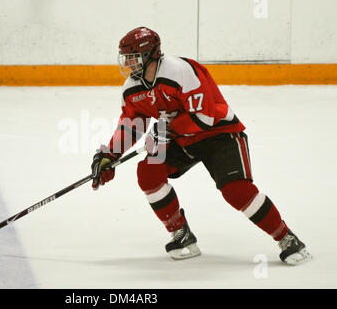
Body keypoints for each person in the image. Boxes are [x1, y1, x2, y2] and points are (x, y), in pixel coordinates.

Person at [90, 26, 312, 265]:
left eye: (133, 58)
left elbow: (204, 117)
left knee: (235, 189)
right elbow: (133, 123)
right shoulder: (131, 89)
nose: (128, 64)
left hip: (219, 133)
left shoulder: (180, 71)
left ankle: (287, 238)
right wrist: (109, 155)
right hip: (180, 138)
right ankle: (182, 235)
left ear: (149, 54)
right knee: (148, 171)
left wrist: (164, 131)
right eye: (126, 58)